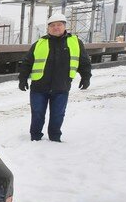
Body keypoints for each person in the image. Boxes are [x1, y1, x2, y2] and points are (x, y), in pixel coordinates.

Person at [18, 12, 91, 142]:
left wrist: (86, 77)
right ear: (48, 28)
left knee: (58, 115)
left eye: (59, 25)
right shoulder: (39, 43)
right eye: (52, 25)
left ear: (64, 26)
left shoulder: (75, 42)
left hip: (61, 87)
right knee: (37, 114)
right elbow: (27, 62)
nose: (56, 27)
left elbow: (84, 61)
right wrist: (22, 79)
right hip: (39, 88)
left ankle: (55, 138)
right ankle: (35, 138)